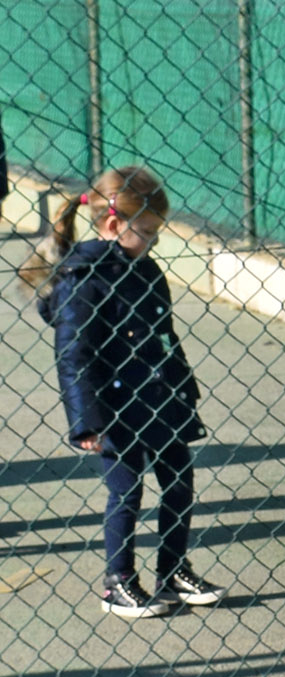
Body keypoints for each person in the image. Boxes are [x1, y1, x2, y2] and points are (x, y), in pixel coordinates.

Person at [41, 165, 224, 619]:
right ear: (112, 224)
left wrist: (183, 387)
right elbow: (74, 356)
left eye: (155, 233)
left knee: (180, 481)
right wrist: (87, 420)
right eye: (146, 231)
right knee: (125, 494)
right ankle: (118, 582)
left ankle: (174, 570)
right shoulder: (83, 280)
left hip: (161, 399)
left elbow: (165, 334)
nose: (153, 241)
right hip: (118, 407)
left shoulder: (145, 269)